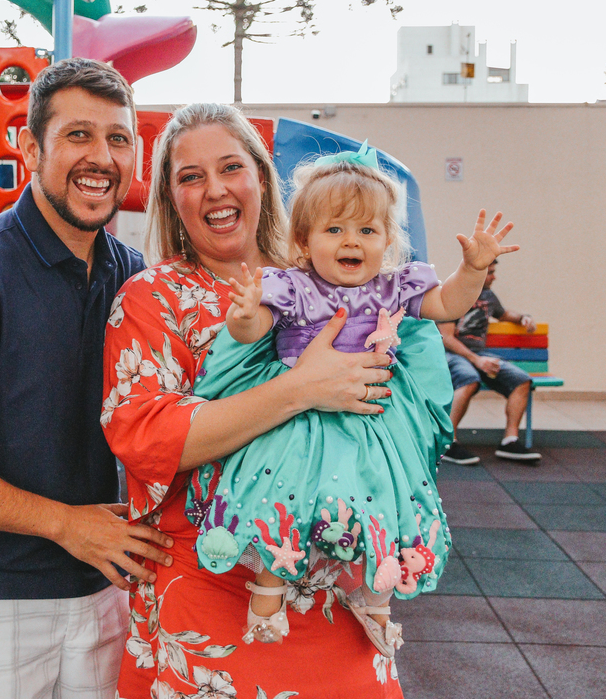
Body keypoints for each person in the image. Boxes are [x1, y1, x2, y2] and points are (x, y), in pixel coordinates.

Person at [101, 103, 490, 698]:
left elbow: (416, 398)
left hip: (341, 589)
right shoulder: (153, 297)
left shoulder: (331, 271)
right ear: (170, 198)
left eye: (231, 167)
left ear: (262, 177)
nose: (215, 189)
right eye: (190, 176)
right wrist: (300, 389)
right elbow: (145, 437)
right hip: (212, 591)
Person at [0, 58, 172, 699]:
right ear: (31, 147)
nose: (101, 157)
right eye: (78, 135)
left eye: (118, 138)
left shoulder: (133, 277)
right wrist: (68, 525)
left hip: (105, 589)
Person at [209, 145, 517, 655]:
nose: (351, 240)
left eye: (367, 230)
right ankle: (267, 593)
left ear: (388, 240)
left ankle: (376, 596)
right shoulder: (293, 287)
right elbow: (253, 329)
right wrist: (243, 315)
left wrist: (473, 269)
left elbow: (446, 303)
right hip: (300, 421)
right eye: (334, 229)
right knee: (282, 493)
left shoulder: (392, 288)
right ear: (304, 240)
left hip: (371, 418)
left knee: (381, 496)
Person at [439, 260, 542, 464]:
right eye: (490, 273)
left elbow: (503, 314)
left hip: (480, 354)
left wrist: (523, 317)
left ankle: (510, 442)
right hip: (451, 354)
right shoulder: (453, 294)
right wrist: (477, 360)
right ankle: (448, 442)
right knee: (468, 379)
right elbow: (447, 338)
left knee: (521, 380)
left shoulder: (488, 296)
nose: (494, 277)